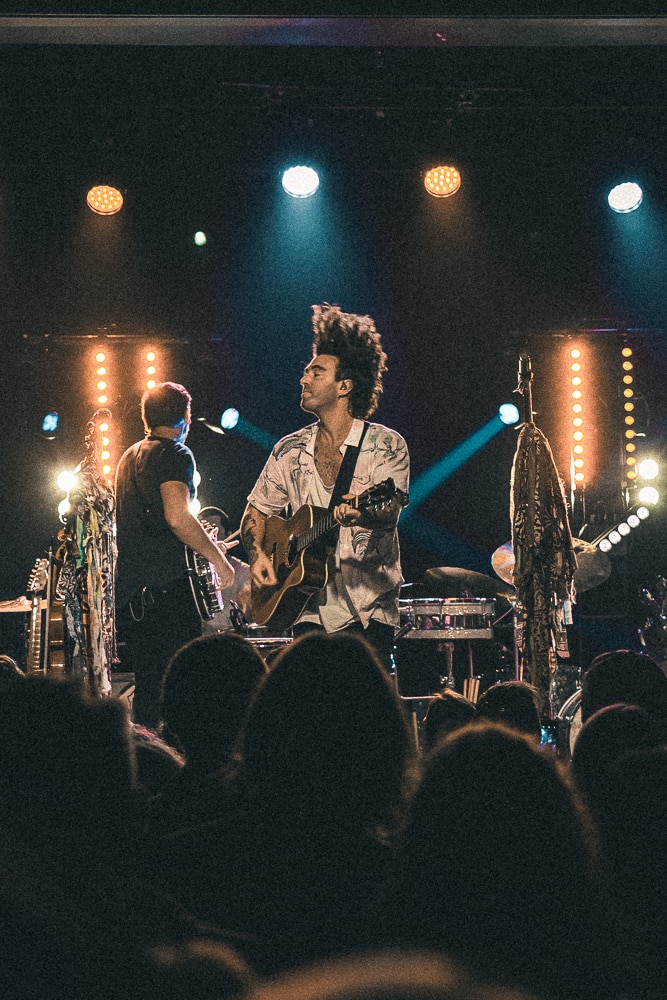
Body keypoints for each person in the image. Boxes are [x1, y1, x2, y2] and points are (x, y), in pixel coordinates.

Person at [241, 304, 409, 670]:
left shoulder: (385, 445)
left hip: (368, 614)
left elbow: (390, 514)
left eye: (316, 372)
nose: (303, 379)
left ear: (345, 385)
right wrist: (259, 558)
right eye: (305, 371)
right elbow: (254, 513)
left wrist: (363, 512)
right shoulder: (288, 449)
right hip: (306, 613)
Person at [115, 381, 234, 730]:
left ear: (145, 417)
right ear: (185, 418)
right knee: (180, 688)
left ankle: (146, 769)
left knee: (149, 689)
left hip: (132, 599)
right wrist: (218, 558)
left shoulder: (127, 457)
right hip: (168, 596)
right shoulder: (176, 454)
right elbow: (178, 517)